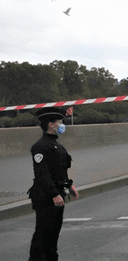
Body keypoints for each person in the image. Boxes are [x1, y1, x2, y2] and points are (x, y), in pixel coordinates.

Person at [28, 107, 78, 261]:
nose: (62, 125)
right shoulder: (40, 147)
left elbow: (59, 170)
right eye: (60, 122)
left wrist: (69, 185)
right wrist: (54, 194)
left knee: (54, 233)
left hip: (57, 193)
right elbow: (42, 174)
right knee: (43, 233)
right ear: (51, 124)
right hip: (45, 196)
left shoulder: (56, 145)